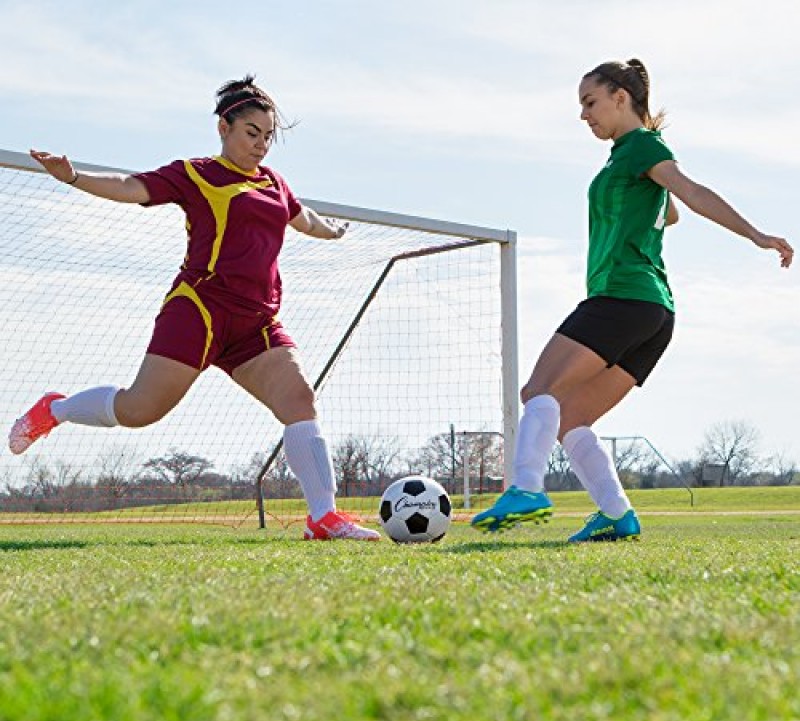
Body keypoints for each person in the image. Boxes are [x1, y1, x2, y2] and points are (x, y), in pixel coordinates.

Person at [8, 75, 380, 542]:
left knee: (300, 401)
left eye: (268, 137)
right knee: (140, 409)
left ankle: (322, 518)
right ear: (224, 127)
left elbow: (300, 217)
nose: (261, 145)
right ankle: (56, 409)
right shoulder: (196, 173)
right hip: (199, 310)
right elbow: (132, 185)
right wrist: (74, 177)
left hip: (257, 322)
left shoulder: (274, 183)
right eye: (252, 133)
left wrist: (332, 231)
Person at [472, 58, 793, 543]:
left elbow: (690, 191)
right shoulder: (630, 155)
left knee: (540, 390)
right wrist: (657, 211)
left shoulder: (642, 145)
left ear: (621, 96)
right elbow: (673, 207)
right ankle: (618, 515)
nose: (584, 115)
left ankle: (526, 488)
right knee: (573, 418)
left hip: (622, 298)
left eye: (590, 102)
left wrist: (755, 235)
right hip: (655, 314)